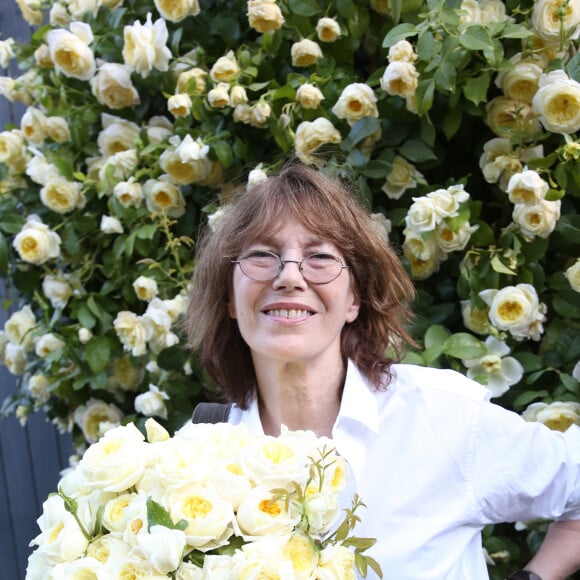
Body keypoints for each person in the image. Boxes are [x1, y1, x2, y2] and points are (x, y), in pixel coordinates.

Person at [182, 163, 580, 579]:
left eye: (319, 257)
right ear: (228, 296)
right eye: (262, 256)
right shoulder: (186, 463)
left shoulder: (443, 418)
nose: (290, 276)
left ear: (354, 298)